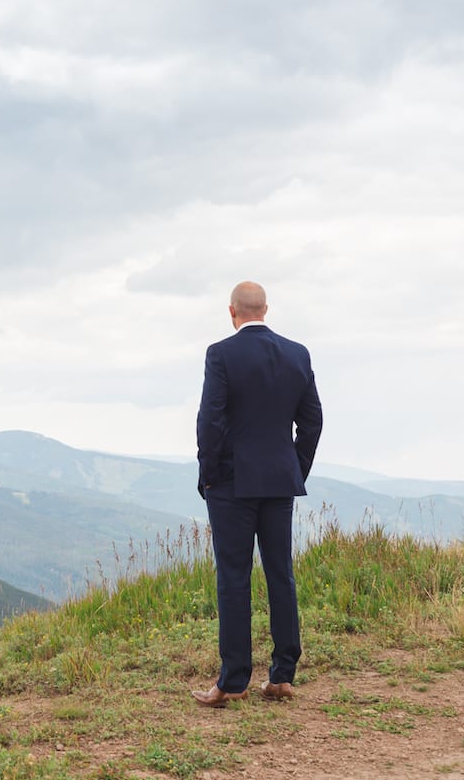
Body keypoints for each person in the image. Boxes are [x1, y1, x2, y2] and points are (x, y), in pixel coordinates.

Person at [191, 281, 323, 708]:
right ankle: (282, 675)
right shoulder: (297, 353)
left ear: (232, 311)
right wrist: (293, 468)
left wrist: (210, 474)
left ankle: (233, 681)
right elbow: (313, 421)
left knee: (233, 578)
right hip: (279, 482)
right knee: (280, 574)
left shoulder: (221, 354)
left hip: (231, 484)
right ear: (265, 309)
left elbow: (209, 421)